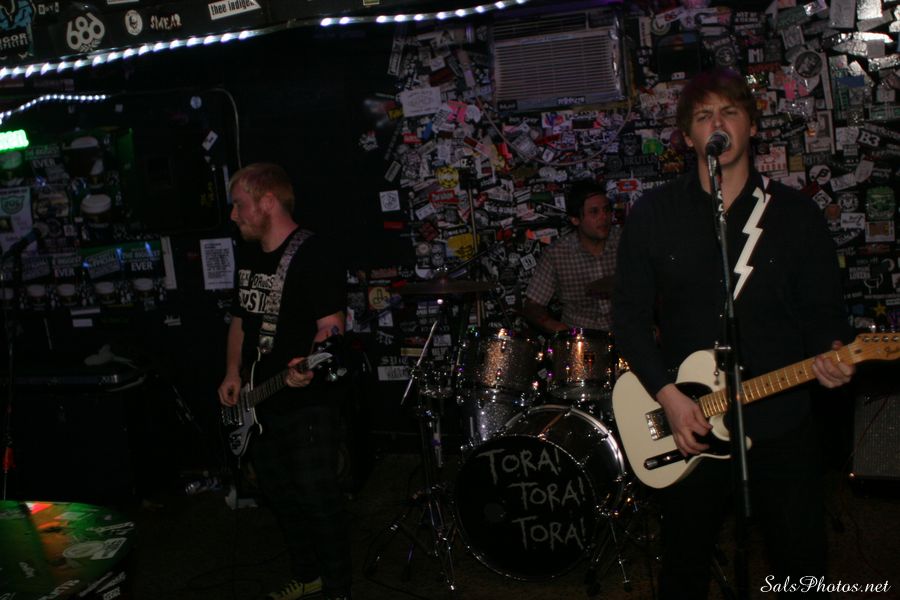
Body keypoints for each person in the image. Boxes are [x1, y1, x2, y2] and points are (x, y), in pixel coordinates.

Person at [612, 68, 855, 598]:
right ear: (687, 137)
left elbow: (824, 311)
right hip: (690, 420)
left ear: (752, 126)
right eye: (703, 116)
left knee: (802, 566)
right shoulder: (653, 215)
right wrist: (669, 397)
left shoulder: (796, 215)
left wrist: (832, 351)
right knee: (684, 568)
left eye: (729, 112)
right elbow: (627, 318)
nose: (717, 124)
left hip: (781, 417)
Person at [217, 163, 351, 600]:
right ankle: (307, 574)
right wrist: (232, 373)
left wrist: (309, 362)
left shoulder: (315, 253)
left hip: (307, 401)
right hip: (259, 401)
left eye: (239, 205)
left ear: (268, 202)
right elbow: (240, 321)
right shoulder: (249, 254)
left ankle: (337, 590)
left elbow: (332, 327)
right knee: (281, 497)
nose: (233, 215)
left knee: (319, 499)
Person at [523, 180, 620, 334]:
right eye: (594, 212)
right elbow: (533, 305)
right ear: (575, 219)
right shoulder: (556, 254)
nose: (604, 217)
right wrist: (552, 325)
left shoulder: (626, 243)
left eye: (606, 210)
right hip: (579, 337)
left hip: (626, 333)